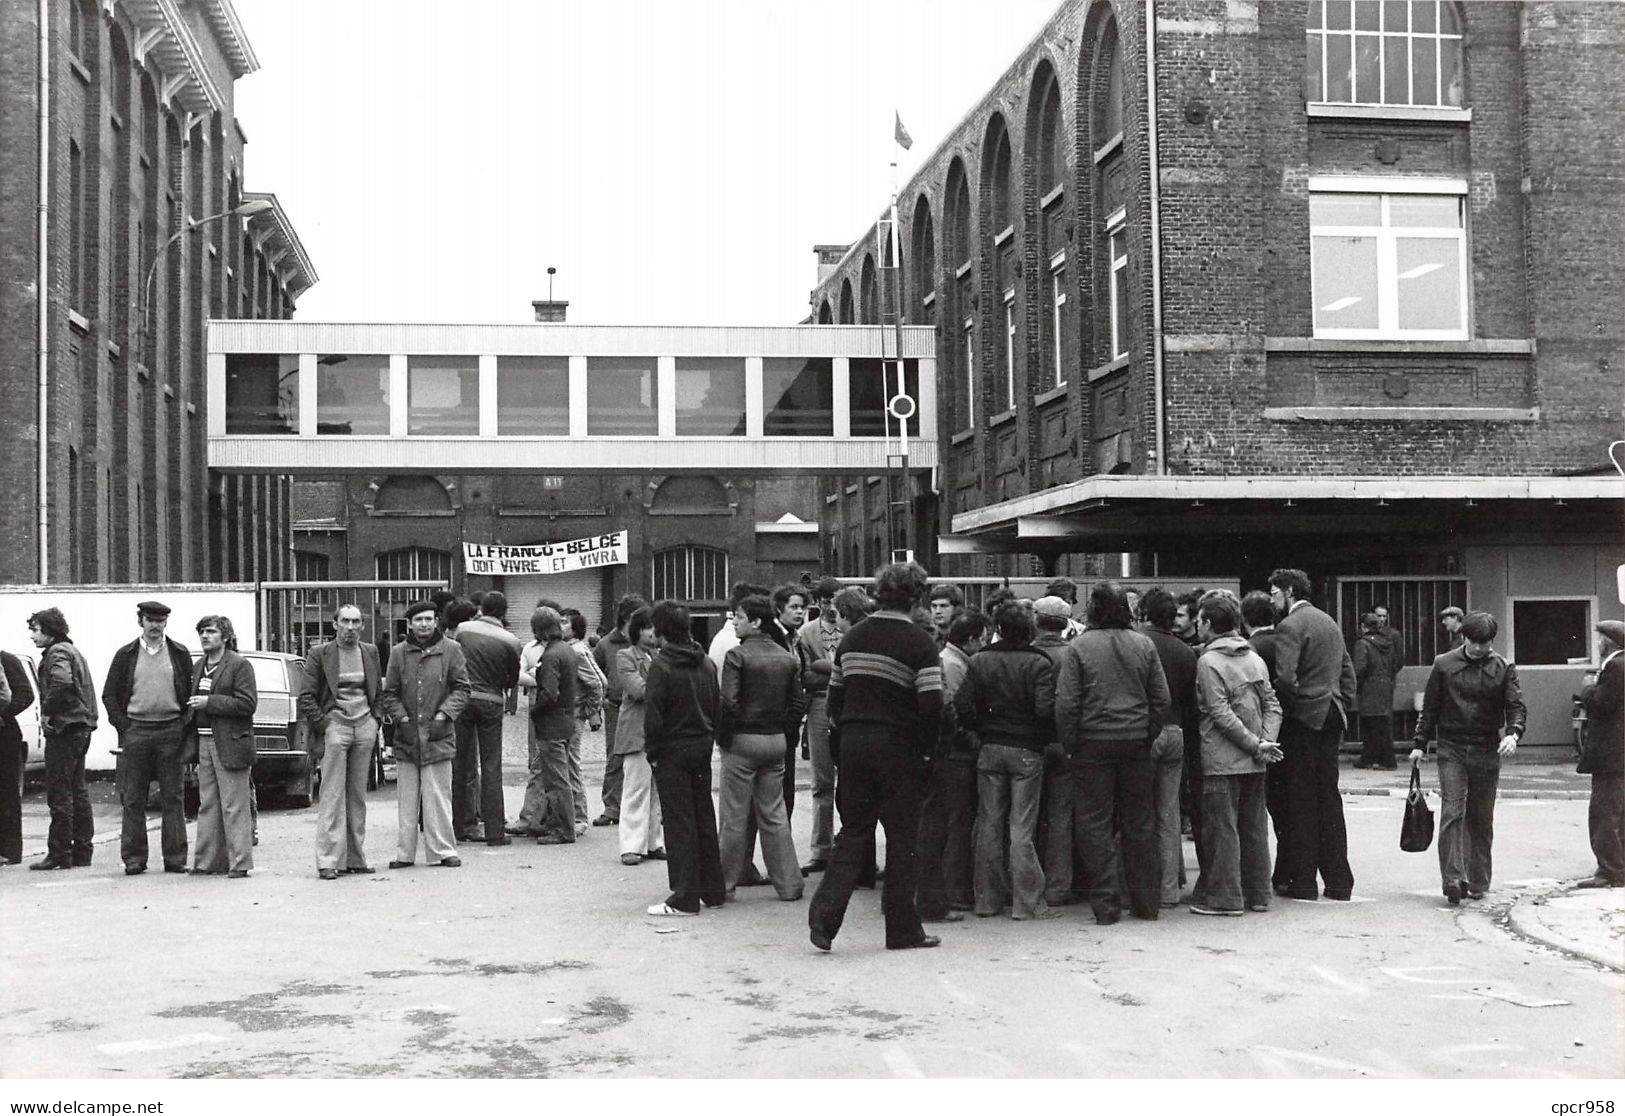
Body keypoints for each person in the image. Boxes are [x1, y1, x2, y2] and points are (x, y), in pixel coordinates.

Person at [808, 562, 944, 952]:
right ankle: (902, 930)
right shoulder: (920, 643)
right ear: (917, 596)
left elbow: (834, 701)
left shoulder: (852, 640)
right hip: (899, 750)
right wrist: (924, 753)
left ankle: (824, 921)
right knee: (903, 840)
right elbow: (931, 705)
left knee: (853, 834)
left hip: (854, 746)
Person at [1054, 581, 1170, 925]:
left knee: (1094, 823)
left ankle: (1106, 906)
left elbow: (1067, 703)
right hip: (1135, 742)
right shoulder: (1143, 644)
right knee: (1140, 822)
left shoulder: (1079, 647)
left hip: (1091, 743)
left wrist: (1071, 744)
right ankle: (1146, 904)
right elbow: (1161, 699)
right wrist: (1147, 734)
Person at [1408, 610, 1526, 905]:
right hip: (1452, 746)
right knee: (1453, 811)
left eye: (1483, 643)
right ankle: (1452, 879)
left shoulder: (1503, 667)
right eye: (1473, 642)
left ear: (1491, 641)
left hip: (1487, 747)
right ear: (1464, 637)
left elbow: (1516, 706)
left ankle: (1478, 880)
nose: (1477, 648)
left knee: (1481, 816)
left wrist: (1513, 733)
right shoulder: (1444, 664)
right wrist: (1419, 744)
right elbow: (1430, 708)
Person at [957, 600, 1057, 921]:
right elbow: (1045, 710)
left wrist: (981, 729)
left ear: (997, 628)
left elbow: (964, 707)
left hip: (990, 747)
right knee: (1021, 827)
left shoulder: (979, 660)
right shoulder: (1039, 663)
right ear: (1029, 628)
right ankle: (1026, 903)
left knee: (988, 824)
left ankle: (987, 900)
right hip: (1027, 750)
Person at [1190, 595, 1284, 916]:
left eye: (1200, 620)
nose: (1196, 625)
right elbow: (1273, 704)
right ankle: (1259, 895)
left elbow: (1219, 713)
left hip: (1221, 759)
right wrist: (1265, 742)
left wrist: (1255, 744)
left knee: (1222, 830)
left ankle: (1225, 899)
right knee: (1254, 828)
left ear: (1208, 624)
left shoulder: (1208, 662)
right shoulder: (1253, 659)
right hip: (1256, 760)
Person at [1269, 568, 1358, 902]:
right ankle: (1340, 882)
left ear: (1290, 591)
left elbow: (1286, 679)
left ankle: (1304, 882)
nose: (1272, 598)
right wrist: (1340, 701)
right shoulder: (1329, 622)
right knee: (1329, 799)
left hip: (1305, 718)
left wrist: (1289, 712)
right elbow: (1347, 671)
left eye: (1275, 591)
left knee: (1301, 801)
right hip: (1332, 712)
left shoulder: (1289, 626)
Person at [717, 595, 805, 901]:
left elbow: (728, 702)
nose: (735, 622)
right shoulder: (787, 657)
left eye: (739, 617)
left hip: (742, 741)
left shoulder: (736, 656)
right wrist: (784, 731)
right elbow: (797, 703)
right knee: (774, 814)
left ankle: (724, 885)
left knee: (734, 816)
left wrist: (724, 738)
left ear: (755, 622)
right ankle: (789, 884)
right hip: (775, 741)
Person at [643, 601, 726, 916]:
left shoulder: (661, 666)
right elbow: (717, 706)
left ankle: (684, 897)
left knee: (679, 822)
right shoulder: (706, 663)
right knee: (703, 815)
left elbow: (654, 716)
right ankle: (713, 890)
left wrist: (653, 753)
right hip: (702, 746)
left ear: (662, 630)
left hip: (672, 750)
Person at [102, 600, 194, 877]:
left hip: (170, 732)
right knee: (133, 798)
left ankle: (176, 858)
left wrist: (181, 725)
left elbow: (189, 693)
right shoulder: (125, 655)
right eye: (150, 620)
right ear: (140, 621)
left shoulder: (179, 653)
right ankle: (134, 859)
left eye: (161, 621)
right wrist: (124, 727)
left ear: (167, 623)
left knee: (174, 797)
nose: (155, 626)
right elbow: (109, 695)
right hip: (137, 732)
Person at [382, 600, 471, 869]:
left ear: (436, 621)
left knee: (439, 796)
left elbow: (462, 688)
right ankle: (404, 854)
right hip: (408, 735)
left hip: (438, 734)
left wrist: (445, 714)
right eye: (418, 619)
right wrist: (402, 717)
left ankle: (443, 850)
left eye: (429, 619)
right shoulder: (399, 653)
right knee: (407, 799)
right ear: (409, 624)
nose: (424, 624)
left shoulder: (452, 650)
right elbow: (390, 692)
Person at [298, 603, 384, 879]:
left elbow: (378, 691)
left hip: (364, 726)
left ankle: (356, 857)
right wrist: (325, 724)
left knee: (357, 795)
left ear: (362, 625)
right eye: (345, 621)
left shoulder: (369, 652)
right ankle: (328, 860)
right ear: (334, 624)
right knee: (332, 794)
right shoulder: (320, 653)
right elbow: (306, 696)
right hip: (336, 726)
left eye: (356, 622)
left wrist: (375, 719)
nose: (350, 627)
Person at [916, 610, 986, 922]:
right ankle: (955, 891)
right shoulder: (954, 665)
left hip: (943, 753)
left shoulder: (950, 660)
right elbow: (951, 712)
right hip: (953, 756)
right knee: (954, 823)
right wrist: (970, 742)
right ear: (971, 639)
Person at [1140, 587, 1200, 908]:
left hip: (1146, 732)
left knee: (1139, 810)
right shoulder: (1185, 652)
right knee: (1169, 812)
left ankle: (1142, 886)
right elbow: (1191, 703)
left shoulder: (1139, 644)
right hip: (1175, 732)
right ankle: (1167, 890)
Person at [27, 608, 98, 871]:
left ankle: (59, 853)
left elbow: (61, 683)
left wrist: (47, 710)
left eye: (35, 629)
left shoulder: (57, 653)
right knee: (77, 790)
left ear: (49, 630)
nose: (32, 635)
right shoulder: (71, 650)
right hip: (81, 726)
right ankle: (82, 850)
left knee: (60, 793)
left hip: (65, 729)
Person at [188, 615, 257, 878]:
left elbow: (247, 704)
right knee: (208, 803)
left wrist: (210, 703)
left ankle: (240, 863)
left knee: (234, 804)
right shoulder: (199, 666)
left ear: (225, 636)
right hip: (204, 740)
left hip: (231, 742)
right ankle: (207, 861)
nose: (205, 636)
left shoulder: (240, 665)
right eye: (202, 632)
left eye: (211, 632)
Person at [451, 591, 521, 846]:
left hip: (463, 700)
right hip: (491, 703)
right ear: (504, 612)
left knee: (460, 764)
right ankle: (495, 831)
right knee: (491, 767)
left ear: (481, 608)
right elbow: (512, 679)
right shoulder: (511, 640)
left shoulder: (463, 629)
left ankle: (459, 826)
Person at [1030, 597, 1078, 906]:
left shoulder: (1028, 653)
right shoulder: (1073, 653)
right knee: (1061, 817)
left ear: (1036, 619)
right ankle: (1059, 886)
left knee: (1027, 816)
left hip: (1032, 742)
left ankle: (1026, 883)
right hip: (1065, 743)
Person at [796, 577, 845, 875]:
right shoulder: (806, 634)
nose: (829, 606)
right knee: (821, 781)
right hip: (818, 706)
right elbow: (805, 677)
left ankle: (853, 848)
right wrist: (836, 673)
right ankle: (821, 850)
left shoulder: (852, 629)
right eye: (824, 601)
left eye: (834, 600)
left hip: (848, 706)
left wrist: (823, 667)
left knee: (854, 781)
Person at [592, 594, 649, 828]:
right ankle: (612, 806)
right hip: (616, 708)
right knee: (615, 757)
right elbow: (593, 675)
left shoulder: (649, 642)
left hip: (647, 708)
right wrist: (598, 704)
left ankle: (650, 808)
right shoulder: (606, 644)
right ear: (627, 618)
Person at [527, 607, 582, 847]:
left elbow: (549, 693)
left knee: (556, 779)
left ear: (538, 629)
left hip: (551, 725)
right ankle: (558, 824)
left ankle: (564, 829)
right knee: (563, 776)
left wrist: (534, 711)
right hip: (567, 720)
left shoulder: (550, 655)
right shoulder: (567, 650)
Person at [614, 607, 664, 866]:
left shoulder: (659, 656)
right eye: (647, 627)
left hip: (659, 732)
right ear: (636, 631)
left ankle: (653, 842)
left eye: (654, 627)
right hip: (636, 731)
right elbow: (637, 690)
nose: (652, 633)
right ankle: (631, 846)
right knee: (636, 789)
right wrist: (667, 685)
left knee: (657, 790)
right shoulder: (625, 656)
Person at [1576, 621, 1624, 888]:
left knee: (1604, 813)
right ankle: (1619, 866)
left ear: (1608, 642)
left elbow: (1600, 703)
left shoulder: (1615, 667)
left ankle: (1609, 870)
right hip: (1620, 753)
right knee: (1619, 812)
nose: (1597, 643)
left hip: (1611, 754)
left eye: (1600, 639)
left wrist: (1587, 688)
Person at [1352, 611, 1398, 770]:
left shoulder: (1362, 644)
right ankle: (1378, 758)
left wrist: (1355, 685)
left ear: (1363, 627)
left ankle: (1377, 759)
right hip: (1385, 685)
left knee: (1369, 725)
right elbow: (1395, 663)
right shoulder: (1388, 643)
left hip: (1369, 687)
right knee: (1382, 724)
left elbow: (1360, 668)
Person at [0, 649, 33, 866]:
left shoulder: (7, 660)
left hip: (5, 733)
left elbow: (26, 694)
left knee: (7, 790)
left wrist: (4, 713)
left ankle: (9, 850)